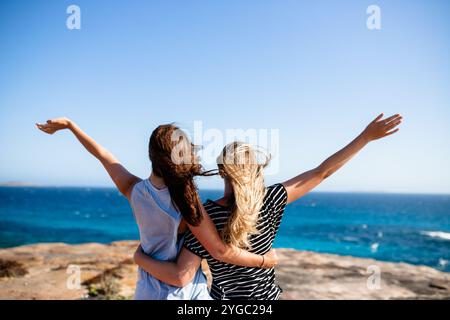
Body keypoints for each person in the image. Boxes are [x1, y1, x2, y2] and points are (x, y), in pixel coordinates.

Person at [134, 113, 402, 300]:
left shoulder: (205, 215)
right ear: (255, 170)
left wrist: (141, 257)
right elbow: (322, 172)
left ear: (222, 172)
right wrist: (365, 138)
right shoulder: (271, 200)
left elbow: (181, 274)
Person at [36, 118, 278, 300]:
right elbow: (216, 252)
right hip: (187, 294)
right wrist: (263, 260)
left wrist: (70, 126)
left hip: (147, 291)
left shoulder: (133, 190)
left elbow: (104, 155)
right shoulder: (187, 201)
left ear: (151, 156)